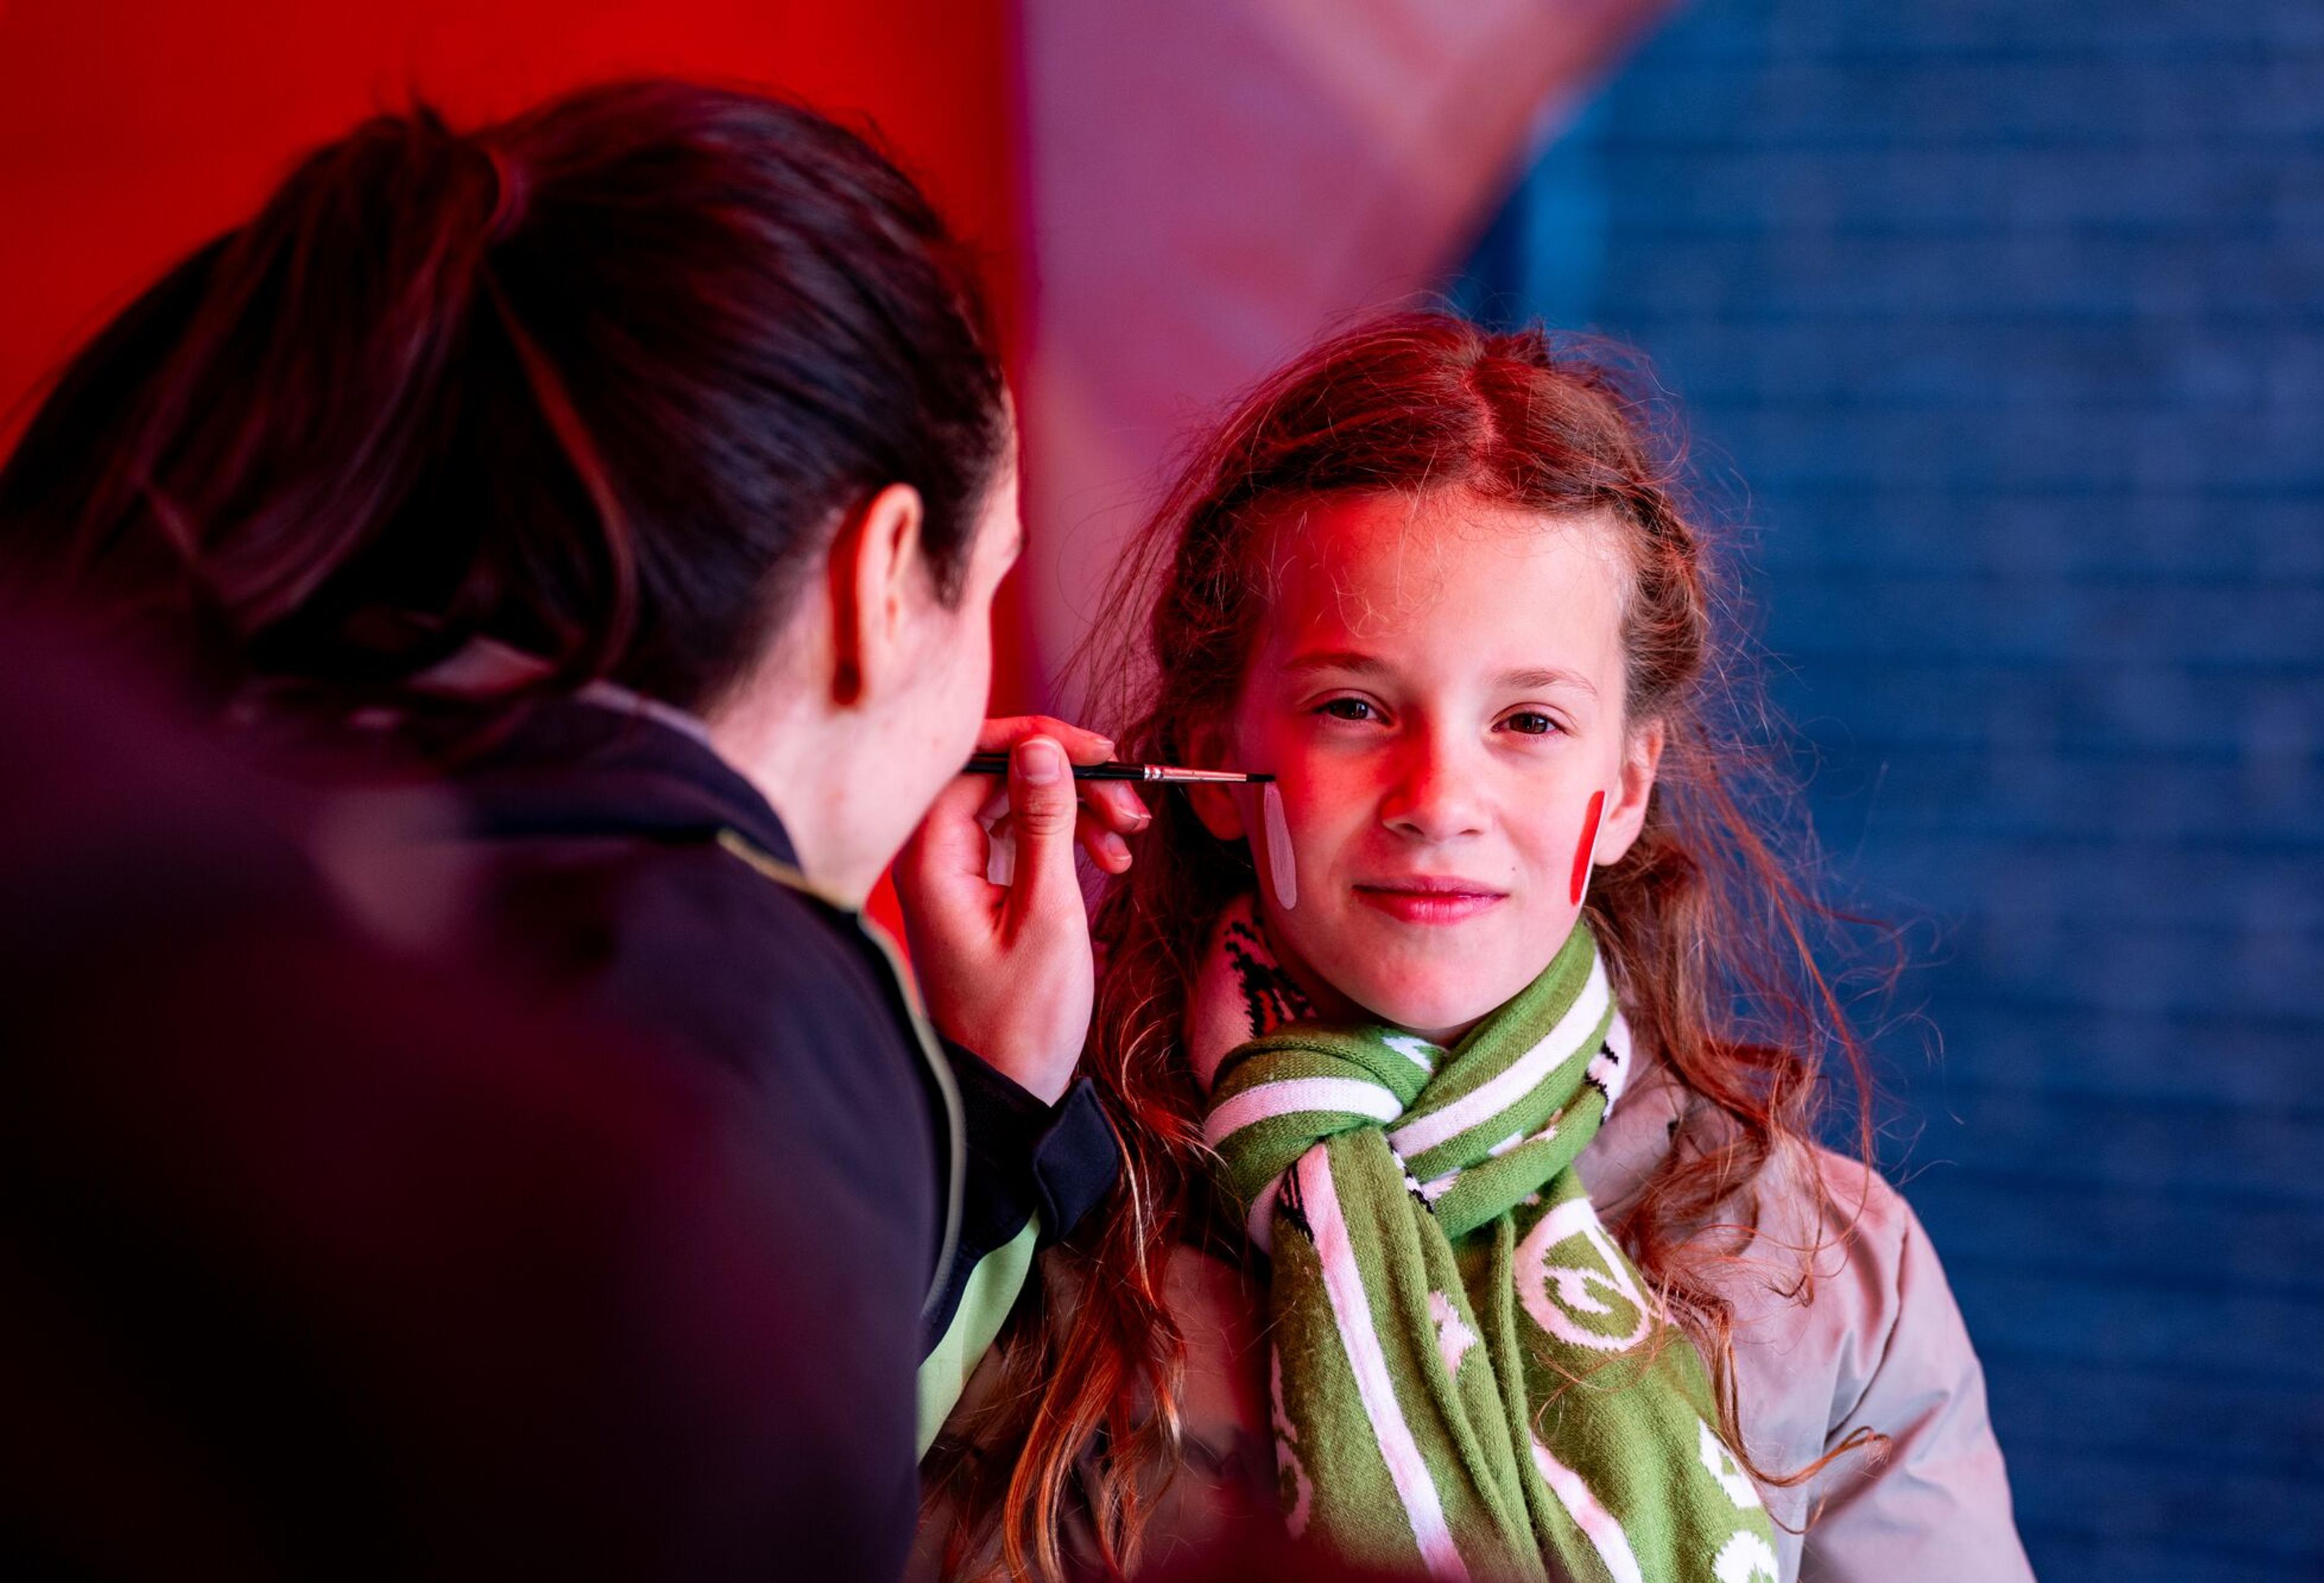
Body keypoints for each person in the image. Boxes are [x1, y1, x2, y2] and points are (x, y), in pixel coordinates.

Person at [0, 81, 1126, 1577]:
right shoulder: (737, 1000)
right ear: (880, 577)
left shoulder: (206, 823)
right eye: (989, 587)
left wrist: (978, 1116)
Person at [922, 315, 2033, 1581]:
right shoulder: (1035, 1219)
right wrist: (984, 1123)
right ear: (1214, 758)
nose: (1439, 799)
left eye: (1529, 721)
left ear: (1625, 788)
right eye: (1353, 707)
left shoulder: (1826, 1268)